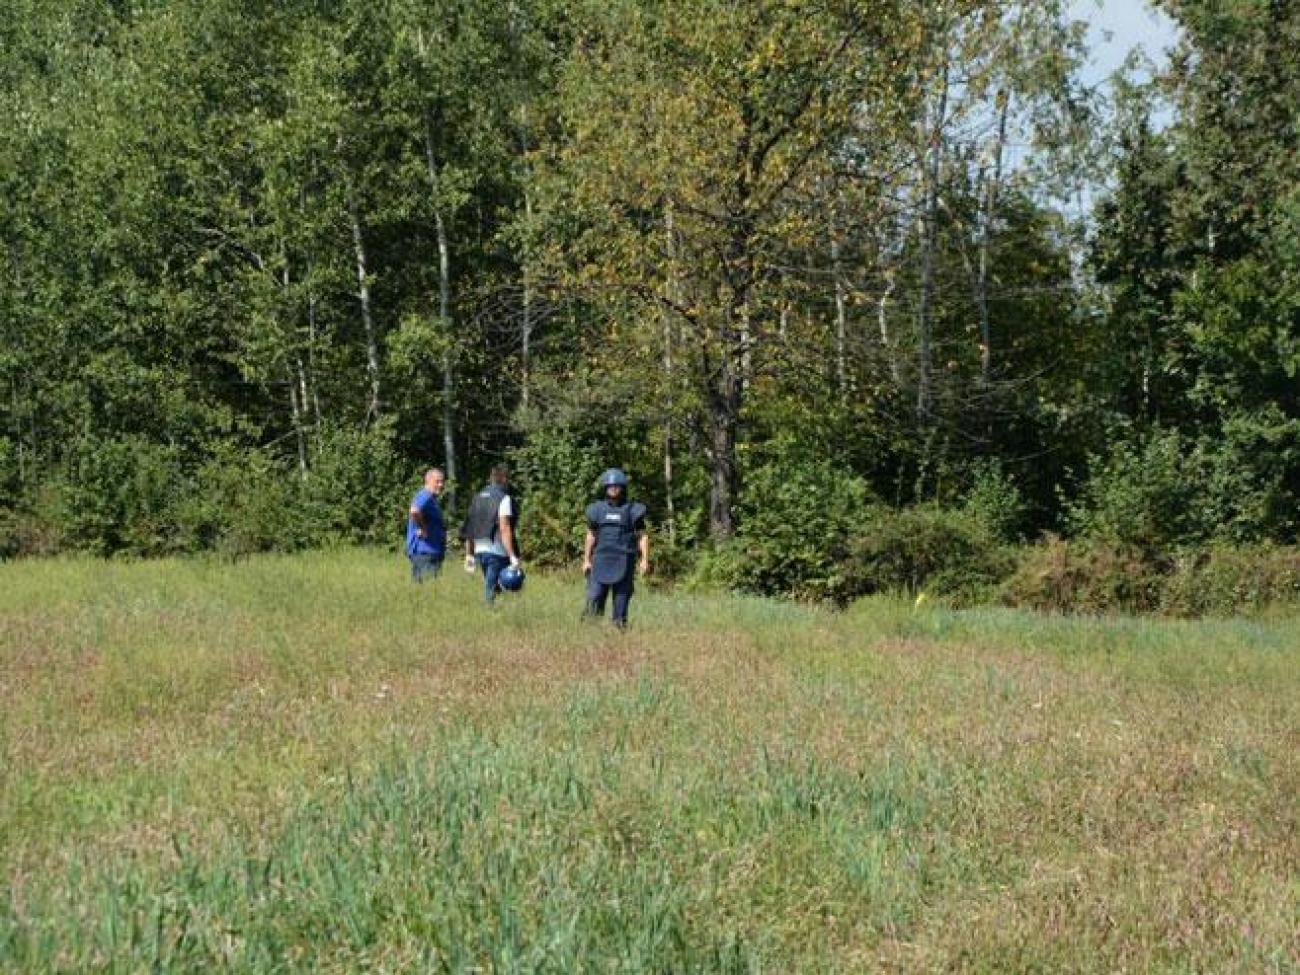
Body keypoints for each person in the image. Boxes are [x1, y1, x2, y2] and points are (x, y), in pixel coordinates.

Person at [582, 468, 649, 628]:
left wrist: (644, 560)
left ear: (622, 487)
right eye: (610, 486)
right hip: (600, 560)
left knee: (620, 603)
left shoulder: (632, 510)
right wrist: (586, 560)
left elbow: (642, 536)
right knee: (595, 596)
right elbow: (591, 535)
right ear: (605, 487)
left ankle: (618, 631)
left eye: (616, 486)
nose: (613, 488)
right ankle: (590, 630)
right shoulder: (597, 510)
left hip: (624, 561)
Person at [461, 464, 521, 604]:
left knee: (494, 588)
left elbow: (470, 527)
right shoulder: (503, 498)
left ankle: (498, 611)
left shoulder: (477, 497)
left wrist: (469, 555)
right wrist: (512, 555)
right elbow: (504, 528)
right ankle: (491, 612)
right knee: (502, 588)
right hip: (497, 552)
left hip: (480, 551)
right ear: (505, 479)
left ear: (491, 478)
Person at [406, 468, 447, 583]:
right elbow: (414, 511)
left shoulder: (431, 499)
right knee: (429, 588)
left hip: (430, 552)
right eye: (437, 481)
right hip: (425, 552)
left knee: (422, 590)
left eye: (442, 481)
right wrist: (422, 527)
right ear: (428, 480)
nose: (441, 485)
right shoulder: (425, 495)